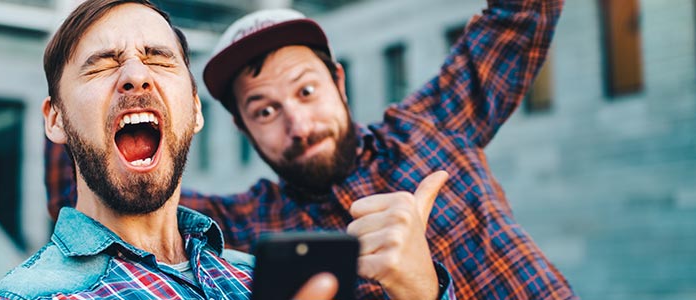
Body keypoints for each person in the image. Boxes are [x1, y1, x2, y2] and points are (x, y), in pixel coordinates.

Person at [45, 0, 575, 298]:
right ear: (243, 129)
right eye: (265, 111)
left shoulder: (433, 127)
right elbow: (103, 192)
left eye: (305, 90)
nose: (297, 123)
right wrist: (79, 79)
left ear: (339, 83)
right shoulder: (248, 229)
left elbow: (521, 14)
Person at [0, 1, 348, 299]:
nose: (135, 75)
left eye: (158, 59)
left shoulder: (259, 282)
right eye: (102, 64)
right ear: (55, 120)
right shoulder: (32, 295)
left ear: (195, 110)